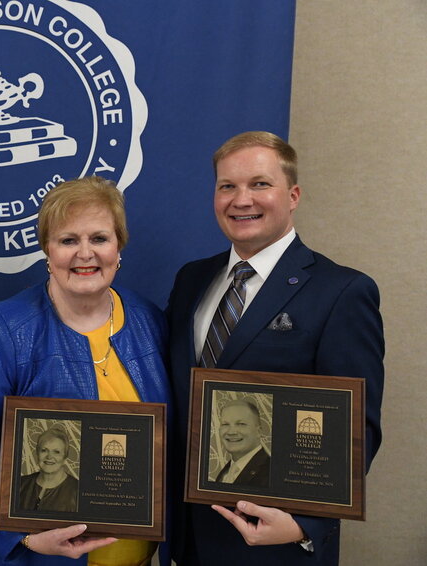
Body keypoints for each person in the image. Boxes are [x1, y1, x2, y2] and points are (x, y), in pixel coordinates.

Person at [166, 131, 384, 565]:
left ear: (293, 195)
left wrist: (309, 525)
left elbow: (359, 427)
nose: (240, 199)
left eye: (260, 184)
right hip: (187, 539)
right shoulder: (191, 279)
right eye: (227, 185)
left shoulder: (342, 291)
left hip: (275, 544)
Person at [0, 176, 172, 566]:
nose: (85, 254)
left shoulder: (149, 321)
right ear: (47, 249)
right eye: (68, 240)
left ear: (119, 246)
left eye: (99, 239)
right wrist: (22, 536)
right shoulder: (5, 329)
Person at [19, 427, 79, 512]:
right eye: (44, 450)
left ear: (65, 457)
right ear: (37, 453)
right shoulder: (20, 484)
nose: (49, 457)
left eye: (56, 452)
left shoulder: (77, 491)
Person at [212, 400, 270, 487]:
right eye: (225, 424)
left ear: (259, 431)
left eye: (240, 424)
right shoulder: (226, 472)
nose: (231, 432)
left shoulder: (270, 472)